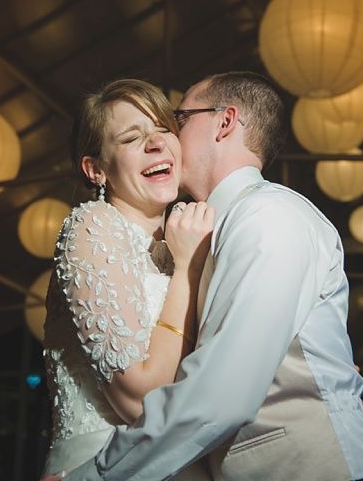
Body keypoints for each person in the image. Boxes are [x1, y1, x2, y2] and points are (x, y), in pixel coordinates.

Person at [51, 72, 363, 481]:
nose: (165, 139)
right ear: (96, 169)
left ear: (225, 122)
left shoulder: (266, 217)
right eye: (131, 138)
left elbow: (224, 391)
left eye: (174, 121)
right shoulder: (192, 236)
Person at [41, 79, 214, 477]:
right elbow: (140, 401)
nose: (156, 144)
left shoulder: (182, 237)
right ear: (97, 169)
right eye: (133, 138)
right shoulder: (91, 227)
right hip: (106, 465)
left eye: (163, 129)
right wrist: (188, 269)